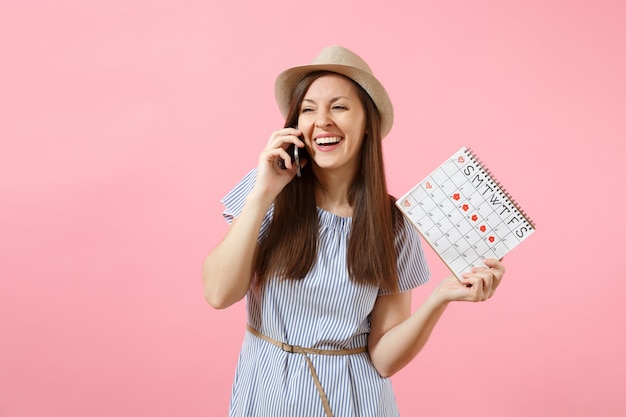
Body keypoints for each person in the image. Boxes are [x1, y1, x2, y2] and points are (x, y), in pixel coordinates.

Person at [202, 45, 506, 417]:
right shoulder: (266, 193)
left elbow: (383, 360)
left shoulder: (393, 225)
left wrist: (440, 297)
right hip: (265, 394)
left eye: (339, 107)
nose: (322, 121)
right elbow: (218, 293)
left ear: (367, 124)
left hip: (352, 403)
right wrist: (264, 192)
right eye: (308, 109)